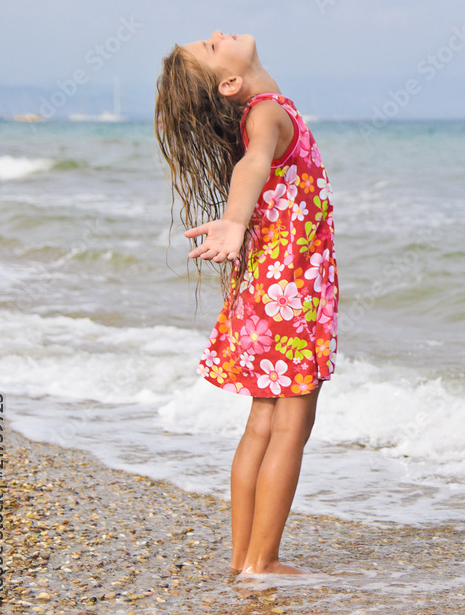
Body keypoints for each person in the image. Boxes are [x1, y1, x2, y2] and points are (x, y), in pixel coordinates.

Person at [154, 30, 338, 575]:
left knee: (264, 420)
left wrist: (241, 224)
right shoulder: (267, 113)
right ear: (230, 82)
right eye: (210, 48)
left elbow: (258, 169)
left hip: (268, 285)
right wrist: (235, 221)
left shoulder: (262, 111)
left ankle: (243, 560)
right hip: (292, 290)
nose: (216, 36)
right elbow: (252, 165)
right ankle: (264, 561)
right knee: (291, 423)